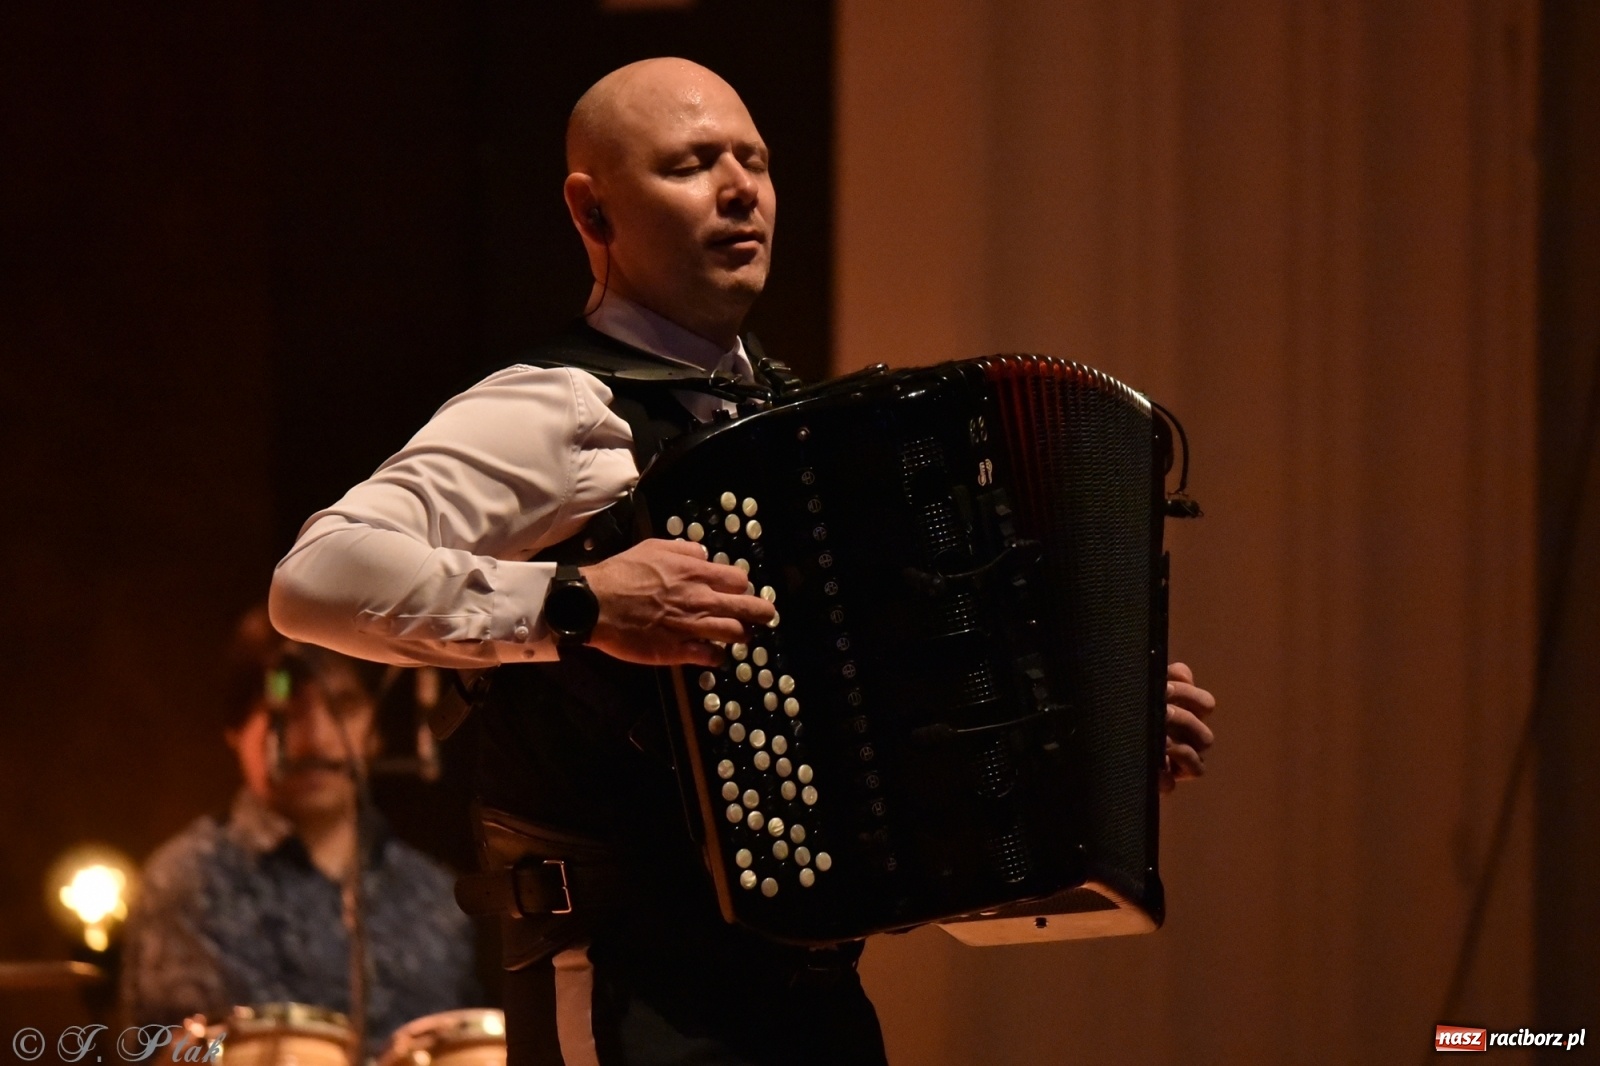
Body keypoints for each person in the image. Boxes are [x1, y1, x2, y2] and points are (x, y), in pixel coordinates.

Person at [269, 58, 1216, 1066]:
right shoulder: (553, 407)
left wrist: (1083, 731)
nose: (738, 189)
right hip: (634, 983)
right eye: (690, 164)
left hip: (805, 990)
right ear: (592, 214)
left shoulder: (794, 430)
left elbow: (897, 718)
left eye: (752, 161)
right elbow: (317, 577)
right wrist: (580, 602)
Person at [119, 606, 479, 1056]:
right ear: (235, 730)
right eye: (284, 710)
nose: (318, 738)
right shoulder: (187, 881)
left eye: (343, 706)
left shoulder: (435, 894)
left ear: (376, 732)